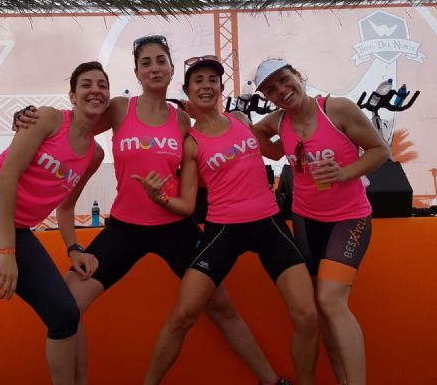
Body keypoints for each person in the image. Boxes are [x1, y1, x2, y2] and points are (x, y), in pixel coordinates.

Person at [15, 36, 287, 385]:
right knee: (66, 306)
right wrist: (31, 117)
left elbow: (214, 148)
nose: (154, 68)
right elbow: (75, 124)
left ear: (172, 70)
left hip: (175, 227)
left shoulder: (183, 120)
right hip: (125, 228)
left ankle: (271, 380)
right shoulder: (120, 108)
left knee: (221, 308)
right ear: (137, 72)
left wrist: (240, 124)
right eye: (146, 63)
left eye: (161, 61)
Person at [133, 56, 319, 385]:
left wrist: (311, 130)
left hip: (269, 225)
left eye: (212, 80)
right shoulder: (190, 143)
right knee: (183, 315)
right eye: (198, 81)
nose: (206, 86)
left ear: (221, 87)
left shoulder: (241, 120)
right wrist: (158, 197)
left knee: (307, 315)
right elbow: (187, 205)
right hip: (223, 231)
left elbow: (278, 148)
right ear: (187, 91)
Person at [0, 61, 109, 385]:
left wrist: (74, 248)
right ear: (72, 96)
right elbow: (6, 177)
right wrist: (7, 251)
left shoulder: (94, 155)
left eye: (102, 85)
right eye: (86, 84)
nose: (95, 90)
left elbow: (66, 207)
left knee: (64, 314)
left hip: (13, 226)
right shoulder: (49, 119)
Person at [252, 59, 390, 385]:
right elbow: (263, 141)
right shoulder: (278, 121)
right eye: (271, 89)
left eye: (284, 80)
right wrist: (261, 138)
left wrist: (345, 172)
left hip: (349, 219)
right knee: (322, 304)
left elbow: (379, 150)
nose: (281, 91)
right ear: (267, 97)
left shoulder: (336, 109)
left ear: (298, 75)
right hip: (306, 221)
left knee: (330, 300)